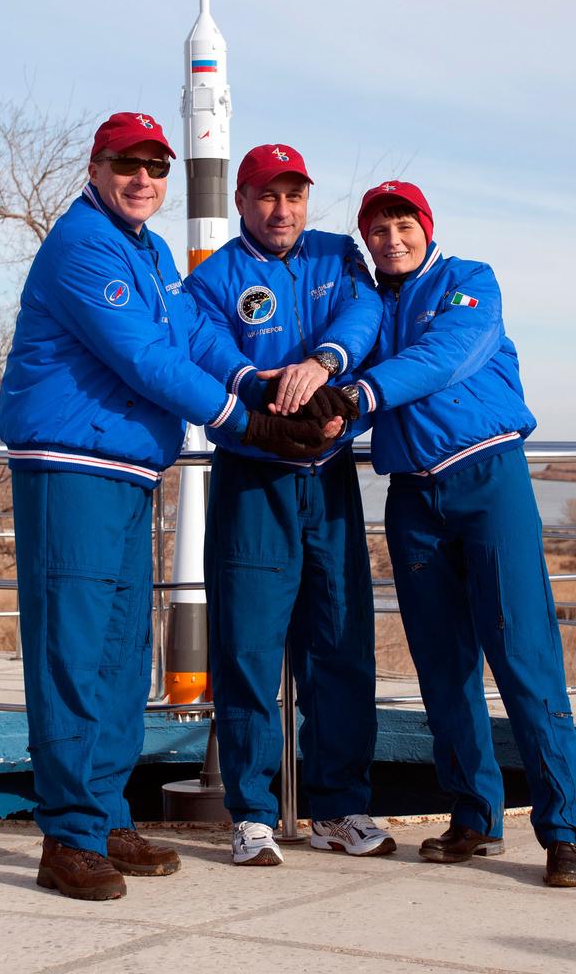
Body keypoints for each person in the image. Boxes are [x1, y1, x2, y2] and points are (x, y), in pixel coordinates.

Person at [0, 114, 332, 901]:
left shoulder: (147, 253)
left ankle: (105, 813)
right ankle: (67, 836)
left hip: (128, 469)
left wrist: (261, 385)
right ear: (98, 165)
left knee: (120, 654)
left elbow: (192, 340)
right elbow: (143, 357)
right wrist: (240, 421)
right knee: (75, 650)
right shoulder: (85, 244)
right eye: (129, 164)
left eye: (156, 166)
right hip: (71, 465)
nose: (144, 178)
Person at [348, 179, 576, 888]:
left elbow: (445, 356)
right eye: (379, 229)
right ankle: (475, 814)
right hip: (413, 498)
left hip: (488, 483)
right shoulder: (366, 308)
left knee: (523, 654)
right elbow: (348, 387)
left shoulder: (467, 283)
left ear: (426, 227)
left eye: (403, 224)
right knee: (443, 664)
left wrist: (359, 392)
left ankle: (563, 832)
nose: (392, 239)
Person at [185, 143, 396, 866]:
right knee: (247, 648)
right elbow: (204, 346)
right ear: (242, 201)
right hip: (253, 479)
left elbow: (365, 313)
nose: (283, 210)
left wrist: (324, 366)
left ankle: (340, 807)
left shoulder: (338, 256)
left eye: (295, 196)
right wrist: (259, 387)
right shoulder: (214, 276)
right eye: (268, 196)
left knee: (338, 642)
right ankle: (251, 813)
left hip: (330, 476)